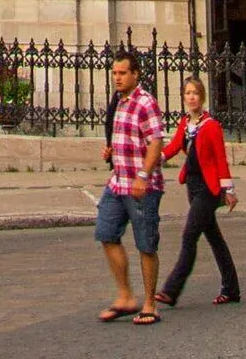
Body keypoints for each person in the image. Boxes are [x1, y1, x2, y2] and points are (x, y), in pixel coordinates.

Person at [154, 77, 239, 310]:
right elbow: (172, 147)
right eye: (187, 93)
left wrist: (228, 190)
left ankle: (171, 290)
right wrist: (155, 158)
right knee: (215, 239)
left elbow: (221, 158)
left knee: (189, 235)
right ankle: (231, 289)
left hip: (208, 189)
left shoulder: (210, 125)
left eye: (195, 93)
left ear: (202, 97)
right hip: (192, 186)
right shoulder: (185, 123)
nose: (191, 97)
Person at [95, 51, 164, 326]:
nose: (117, 78)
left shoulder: (145, 103)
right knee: (106, 233)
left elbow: (156, 141)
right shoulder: (118, 102)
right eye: (114, 73)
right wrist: (110, 152)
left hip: (142, 185)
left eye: (122, 73)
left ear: (135, 74)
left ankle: (150, 304)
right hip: (118, 181)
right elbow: (122, 136)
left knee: (146, 244)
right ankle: (125, 296)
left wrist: (144, 175)